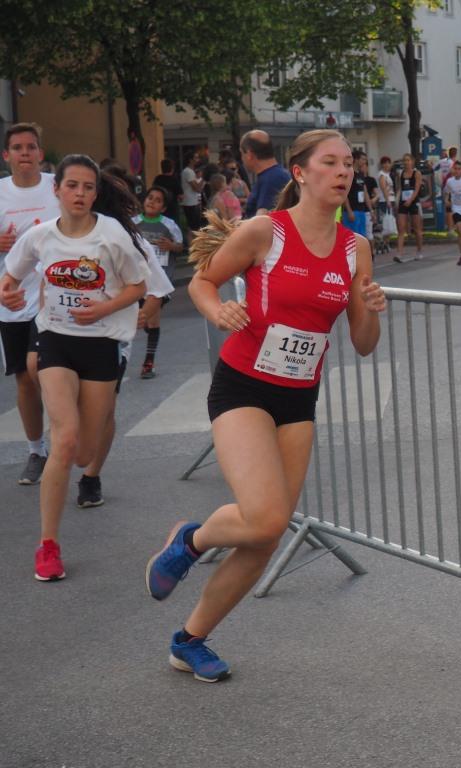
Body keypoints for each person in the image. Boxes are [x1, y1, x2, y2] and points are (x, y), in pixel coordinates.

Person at [145, 129, 386, 682]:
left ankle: (189, 640)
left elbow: (363, 343)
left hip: (299, 396)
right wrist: (218, 312)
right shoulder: (264, 231)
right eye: (330, 162)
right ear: (300, 173)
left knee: (266, 534)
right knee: (266, 516)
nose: (343, 172)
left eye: (349, 164)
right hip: (243, 387)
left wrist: (371, 307)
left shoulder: (356, 248)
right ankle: (191, 539)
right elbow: (203, 284)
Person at [0, 155, 150, 581]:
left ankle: (83, 468)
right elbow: (9, 278)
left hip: (101, 345)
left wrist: (104, 307)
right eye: (72, 186)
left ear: (95, 193)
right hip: (55, 341)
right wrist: (7, 294)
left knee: (84, 452)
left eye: (87, 187)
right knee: (64, 440)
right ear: (57, 190)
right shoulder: (40, 236)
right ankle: (47, 546)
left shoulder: (112, 235)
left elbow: (138, 285)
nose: (80, 194)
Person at [76, 236, 175, 507]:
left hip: (111, 339)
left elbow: (158, 290)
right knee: (71, 408)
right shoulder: (56, 233)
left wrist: (142, 315)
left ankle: (90, 477)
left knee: (105, 409)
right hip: (61, 337)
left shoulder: (129, 239)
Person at [0, 122, 61, 485]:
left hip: (56, 298)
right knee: (24, 378)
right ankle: (36, 451)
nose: (25, 153)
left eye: (31, 147)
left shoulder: (57, 187)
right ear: (6, 155)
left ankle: (66, 440)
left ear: (40, 152)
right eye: (17, 148)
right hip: (12, 300)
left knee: (44, 370)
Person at [132, 185, 184, 378]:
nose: (152, 202)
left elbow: (180, 247)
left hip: (160, 279)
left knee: (152, 319)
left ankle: (148, 363)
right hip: (137, 278)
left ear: (163, 207)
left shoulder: (169, 225)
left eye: (158, 200)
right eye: (150, 198)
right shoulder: (133, 223)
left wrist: (171, 246)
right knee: (143, 319)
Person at [241, 130, 291, 218]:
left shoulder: (272, 179)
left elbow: (261, 219)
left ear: (249, 154)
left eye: (241, 153)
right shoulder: (275, 175)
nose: (242, 158)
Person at [342, 149, 377, 239]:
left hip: (361, 209)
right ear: (356, 159)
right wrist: (349, 210)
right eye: (363, 159)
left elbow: (365, 193)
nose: (364, 161)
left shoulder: (361, 174)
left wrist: (371, 210)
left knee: (362, 236)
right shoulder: (348, 173)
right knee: (352, 237)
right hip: (352, 210)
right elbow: (344, 193)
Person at [395, 153, 424, 262]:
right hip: (403, 202)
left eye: (408, 160)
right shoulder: (401, 174)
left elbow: (417, 189)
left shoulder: (417, 173)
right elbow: (400, 188)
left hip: (413, 202)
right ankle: (399, 253)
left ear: (412, 161)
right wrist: (397, 202)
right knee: (401, 228)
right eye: (404, 160)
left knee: (416, 229)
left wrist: (410, 200)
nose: (406, 162)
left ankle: (419, 251)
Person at [180, 151, 205, 234]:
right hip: (190, 203)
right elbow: (197, 189)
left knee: (193, 227)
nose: (198, 160)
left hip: (192, 202)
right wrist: (204, 178)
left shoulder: (190, 171)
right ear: (190, 160)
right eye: (196, 158)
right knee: (194, 228)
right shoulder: (188, 172)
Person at [153, 158, 183, 225]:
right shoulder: (174, 180)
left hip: (160, 207)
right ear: (172, 168)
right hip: (172, 208)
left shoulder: (158, 179)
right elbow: (181, 196)